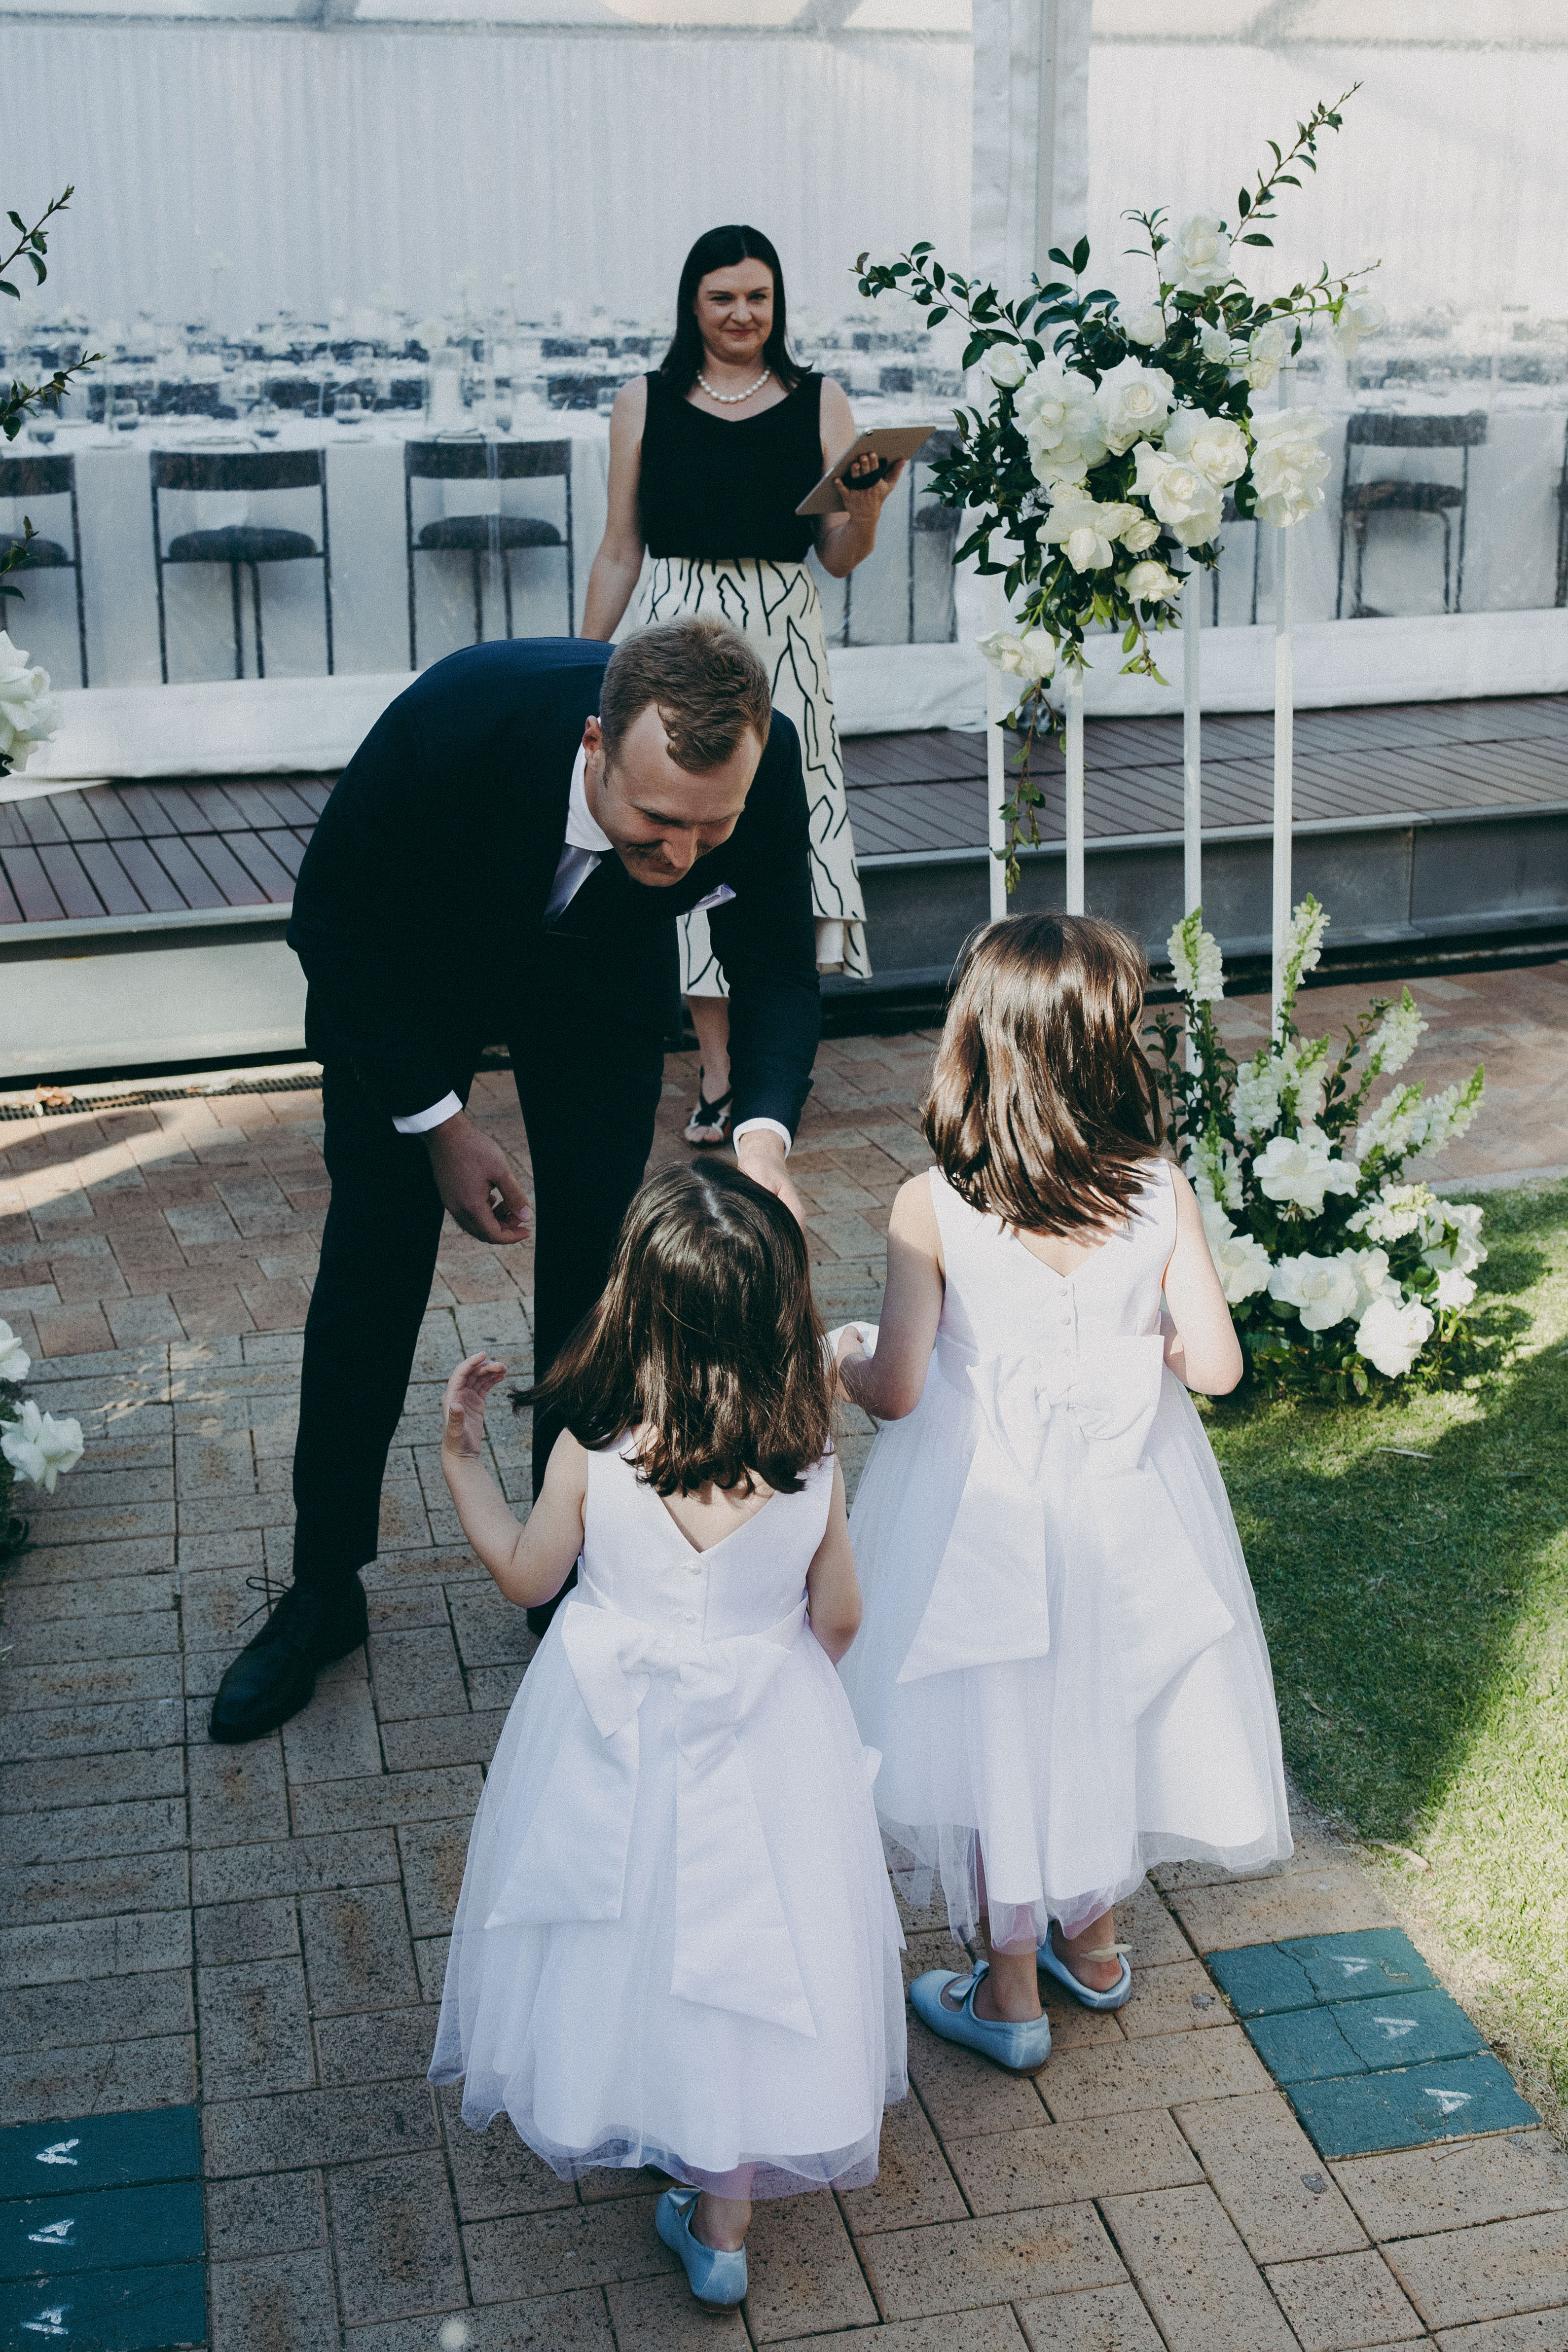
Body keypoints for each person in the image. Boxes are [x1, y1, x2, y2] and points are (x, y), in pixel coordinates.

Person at [208, 619, 823, 1744]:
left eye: (711, 828)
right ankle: (322, 1590)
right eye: (656, 822)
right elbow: (332, 926)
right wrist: (441, 1125)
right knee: (373, 1265)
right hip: (412, 967)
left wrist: (765, 1138)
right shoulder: (454, 726)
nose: (686, 856)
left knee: (600, 1261)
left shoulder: (759, 756)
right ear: (596, 744)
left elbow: (779, 961)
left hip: (592, 975)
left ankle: (564, 1563)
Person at [430, 1161, 907, 2309]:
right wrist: (776, 1681)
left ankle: (630, 2092)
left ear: (633, 1311)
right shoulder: (810, 1464)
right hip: (761, 1726)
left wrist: (458, 1459)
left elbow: (525, 1575)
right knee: (747, 1942)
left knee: (621, 1922)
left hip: (610, 1733)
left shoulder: (593, 1456)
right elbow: (838, 1617)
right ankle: (726, 2216)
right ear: (775, 1314)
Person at [835, 913, 1291, 2074]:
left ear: (977, 1047)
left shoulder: (930, 1203)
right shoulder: (1156, 1190)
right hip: (1123, 1502)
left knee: (998, 1733)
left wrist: (842, 1357)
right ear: (1108, 1051)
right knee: (1099, 1706)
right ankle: (1094, 1946)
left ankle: (1011, 1993)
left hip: (979, 1513)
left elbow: (895, 1387)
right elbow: (1221, 1366)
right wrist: (1135, 1348)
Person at [582, 222, 902, 1147]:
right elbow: (617, 548)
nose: (742, 314)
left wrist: (869, 509)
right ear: (694, 302)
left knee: (770, 837)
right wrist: (579, 667)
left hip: (783, 632)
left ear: (778, 304)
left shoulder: (820, 400)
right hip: (674, 622)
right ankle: (719, 1066)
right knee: (679, 829)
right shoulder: (643, 400)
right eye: (723, 297)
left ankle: (769, 1051)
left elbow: (841, 555)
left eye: (758, 297)